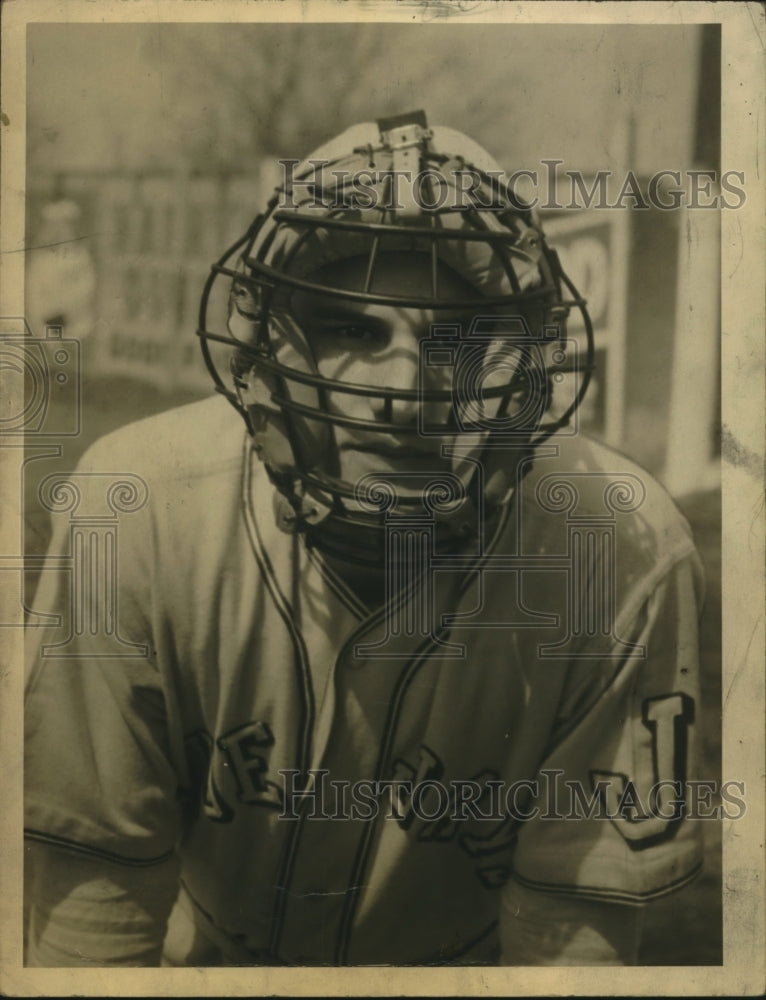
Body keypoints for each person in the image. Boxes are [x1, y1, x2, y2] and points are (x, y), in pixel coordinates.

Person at [24, 111, 704, 967]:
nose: (403, 389)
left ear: (522, 366)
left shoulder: (620, 545)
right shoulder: (136, 506)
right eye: (351, 330)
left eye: (455, 341)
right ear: (268, 344)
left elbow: (573, 955)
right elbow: (93, 925)